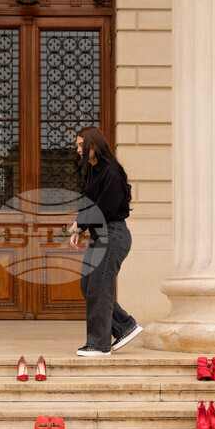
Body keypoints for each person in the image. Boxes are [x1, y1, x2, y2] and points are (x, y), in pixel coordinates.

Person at [69, 127, 142, 356]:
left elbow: (106, 208)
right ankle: (124, 325)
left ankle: (99, 344)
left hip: (113, 235)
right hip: (101, 235)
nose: (78, 150)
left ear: (93, 145)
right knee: (88, 285)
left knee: (99, 288)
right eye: (77, 145)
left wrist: (81, 225)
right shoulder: (96, 172)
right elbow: (91, 205)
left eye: (81, 145)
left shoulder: (112, 172)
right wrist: (79, 226)